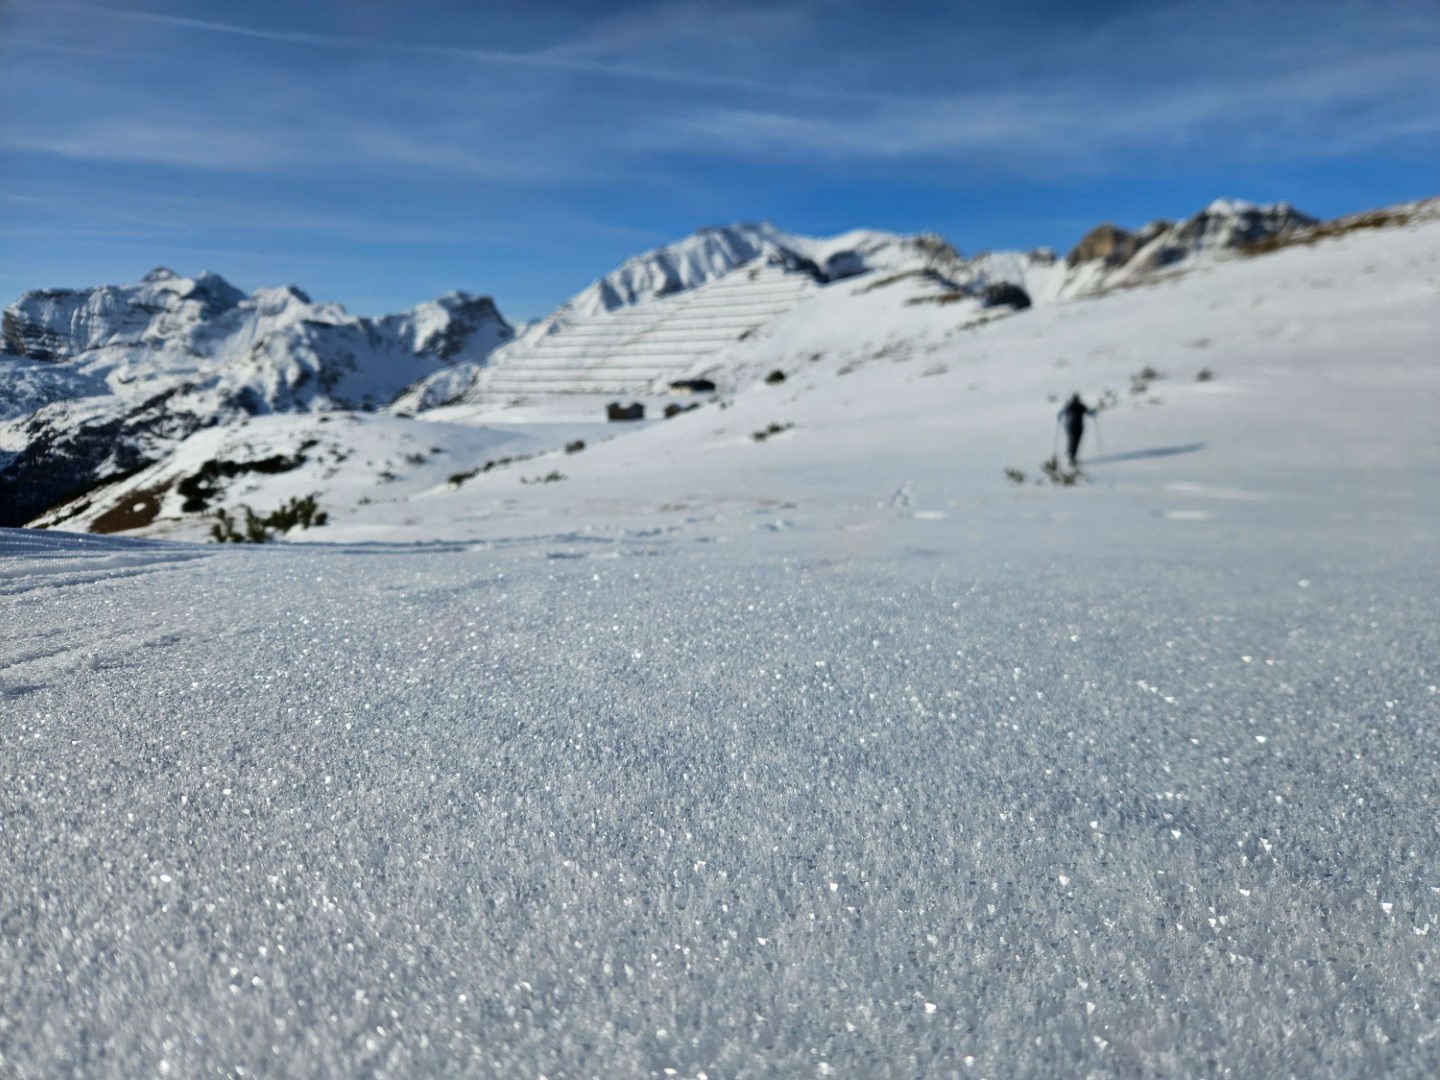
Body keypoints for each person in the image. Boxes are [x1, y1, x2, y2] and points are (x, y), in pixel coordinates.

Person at [1058, 393, 1096, 467]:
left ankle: (1070, 454)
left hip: (1070, 427)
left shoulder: (1069, 405)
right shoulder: (1081, 406)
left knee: (1071, 440)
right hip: (1078, 427)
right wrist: (1094, 412)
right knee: (1076, 442)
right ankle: (1072, 456)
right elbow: (1090, 413)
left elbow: (1060, 414)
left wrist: (1060, 418)